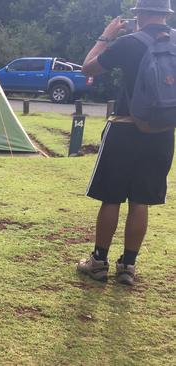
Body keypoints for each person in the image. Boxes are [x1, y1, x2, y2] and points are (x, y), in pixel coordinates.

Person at [78, 0, 176, 286]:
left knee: (111, 197)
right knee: (140, 200)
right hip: (162, 132)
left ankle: (98, 262)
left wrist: (106, 35)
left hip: (124, 128)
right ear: (166, 15)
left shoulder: (128, 43)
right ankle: (128, 267)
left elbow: (89, 68)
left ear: (140, 14)